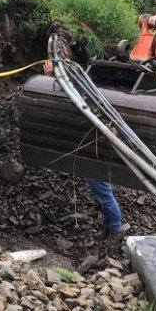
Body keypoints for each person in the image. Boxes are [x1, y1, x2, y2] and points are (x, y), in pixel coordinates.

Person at [41, 60, 128, 242]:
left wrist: (48, 78)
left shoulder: (86, 99)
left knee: (104, 194)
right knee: (102, 193)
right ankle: (109, 228)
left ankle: (116, 230)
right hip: (95, 152)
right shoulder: (94, 96)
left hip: (96, 155)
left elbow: (59, 96)